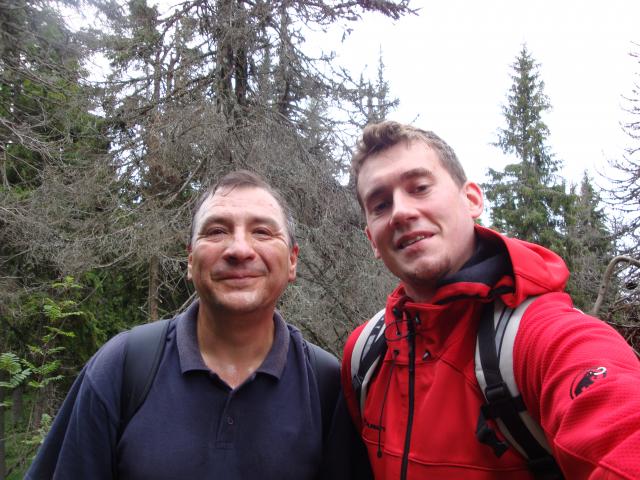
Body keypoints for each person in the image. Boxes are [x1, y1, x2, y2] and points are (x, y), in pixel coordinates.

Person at [341, 121, 640, 479]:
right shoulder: (365, 355)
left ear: (471, 200)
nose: (401, 212)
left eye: (419, 187)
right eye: (380, 205)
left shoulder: (542, 338)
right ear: (372, 240)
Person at [27, 170, 363, 479]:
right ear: (190, 260)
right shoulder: (122, 367)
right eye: (217, 231)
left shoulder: (325, 384)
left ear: (292, 261)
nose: (239, 249)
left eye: (262, 232)